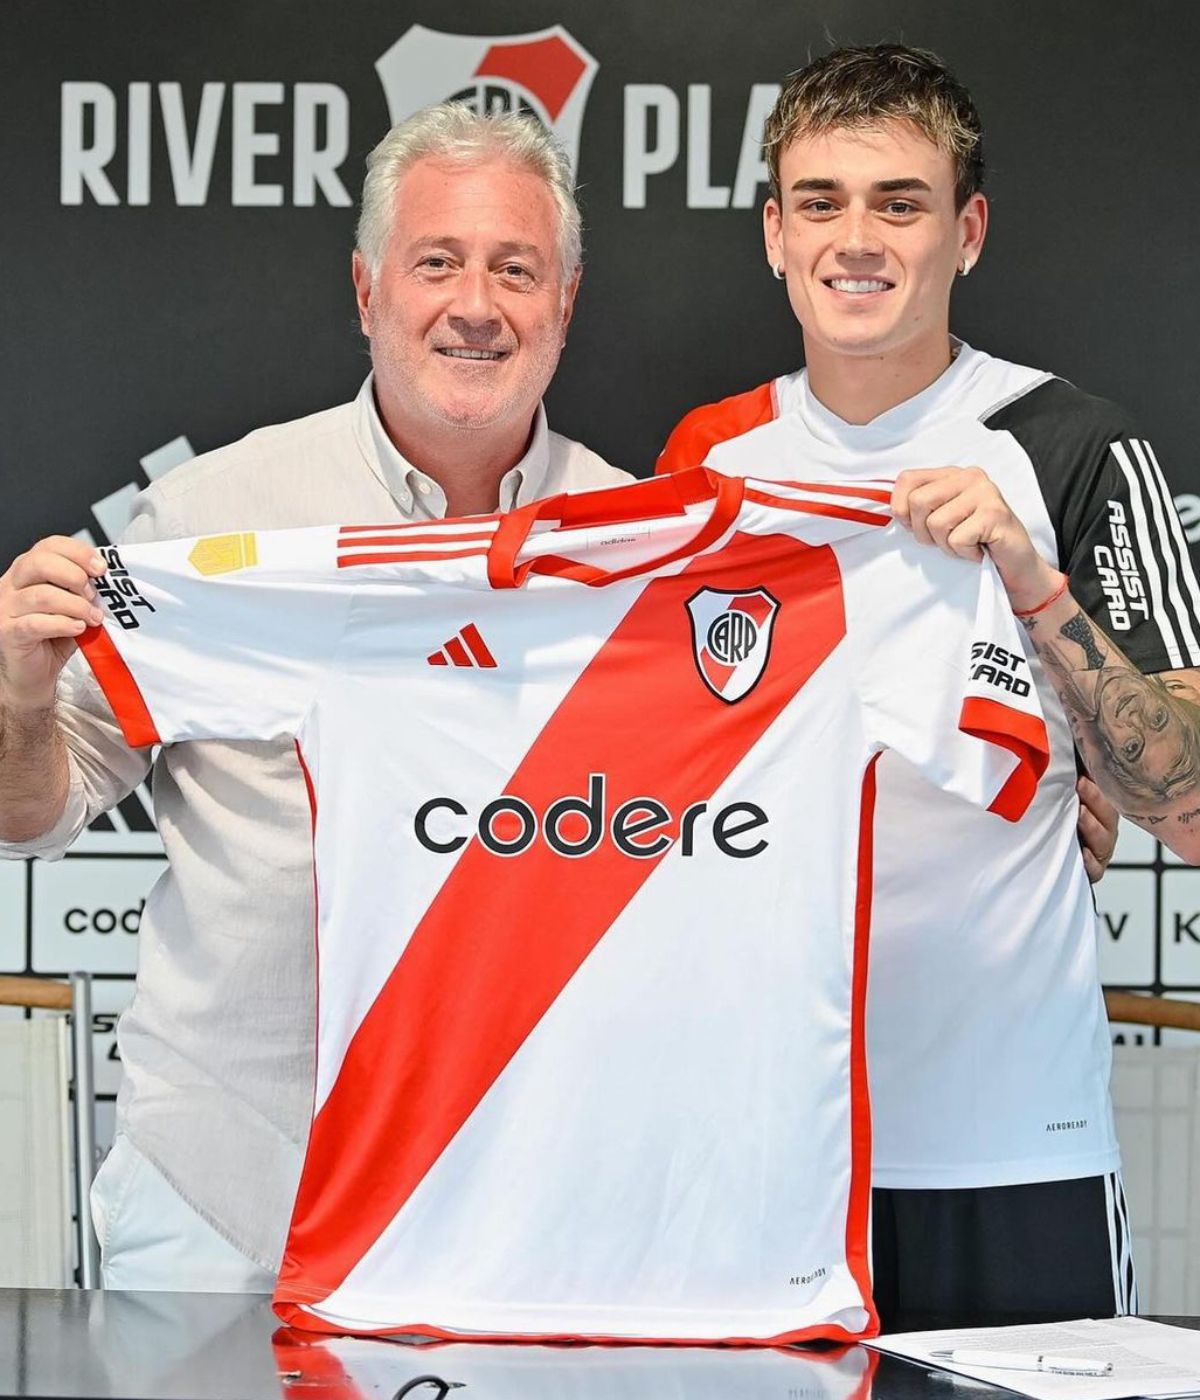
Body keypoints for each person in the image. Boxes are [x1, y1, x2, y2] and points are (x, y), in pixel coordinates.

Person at [0, 103, 630, 1291]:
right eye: (435, 261)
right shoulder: (212, 517)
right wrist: (17, 702)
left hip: (525, 1199)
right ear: (365, 291)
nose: (476, 305)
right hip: (229, 1192)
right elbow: (34, 815)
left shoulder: (644, 551)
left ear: (566, 304)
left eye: (516, 269)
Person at [657, 43, 1200, 1329]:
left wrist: (1032, 582)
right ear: (774, 235)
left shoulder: (1073, 444)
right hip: (762, 1138)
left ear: (967, 231)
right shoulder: (704, 457)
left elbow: (1187, 800)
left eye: (899, 202)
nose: (859, 237)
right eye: (822, 201)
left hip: (1011, 1136)